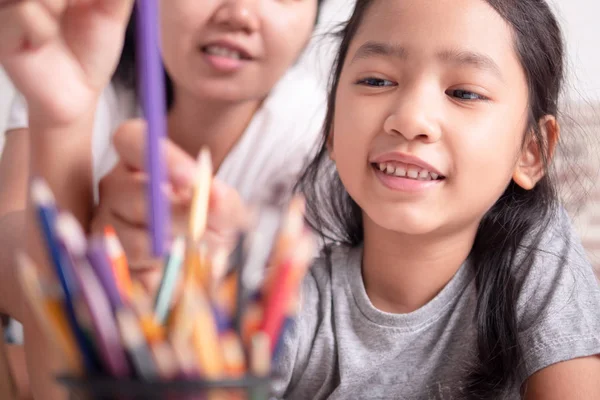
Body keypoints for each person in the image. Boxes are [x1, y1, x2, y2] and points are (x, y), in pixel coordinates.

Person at [274, 0, 600, 398]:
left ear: (530, 151)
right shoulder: (290, 300)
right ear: (332, 126)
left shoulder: (538, 255)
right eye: (376, 81)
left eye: (464, 92)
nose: (411, 118)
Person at [0, 0, 327, 398]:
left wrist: (225, 275)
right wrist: (94, 255)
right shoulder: (74, 68)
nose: (238, 13)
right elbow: (9, 248)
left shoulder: (328, 131)